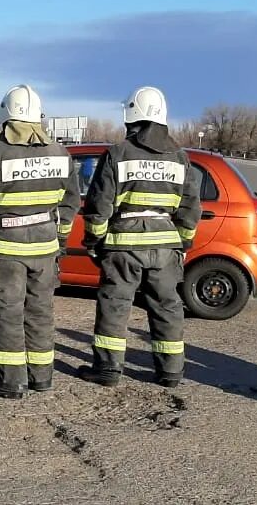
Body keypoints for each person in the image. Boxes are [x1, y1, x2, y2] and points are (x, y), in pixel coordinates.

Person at [0, 85, 79, 398]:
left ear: (5, 117)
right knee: (40, 313)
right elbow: (70, 204)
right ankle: (41, 377)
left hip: (7, 250)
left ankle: (10, 381)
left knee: (6, 314)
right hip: (46, 249)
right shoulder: (60, 153)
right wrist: (60, 241)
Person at [78, 86, 202, 388]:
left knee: (114, 305)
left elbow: (99, 204)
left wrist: (94, 242)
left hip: (123, 247)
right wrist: (182, 244)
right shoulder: (180, 157)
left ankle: (108, 369)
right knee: (167, 307)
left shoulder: (118, 153)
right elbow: (190, 209)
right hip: (165, 248)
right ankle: (170, 372)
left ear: (132, 116)